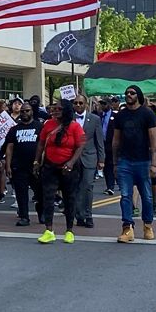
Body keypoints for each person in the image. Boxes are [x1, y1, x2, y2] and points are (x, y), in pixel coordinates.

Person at [111, 85, 156, 243]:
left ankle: (147, 225)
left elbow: (154, 141)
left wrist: (153, 164)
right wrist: (115, 163)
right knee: (125, 195)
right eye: (126, 93)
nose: (128, 95)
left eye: (132, 93)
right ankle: (127, 228)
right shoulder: (121, 115)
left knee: (146, 195)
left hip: (143, 161)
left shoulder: (147, 114)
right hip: (125, 161)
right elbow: (115, 141)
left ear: (138, 95)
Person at [36, 98, 86, 244]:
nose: (55, 110)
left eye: (58, 108)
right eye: (53, 108)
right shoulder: (48, 124)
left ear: (66, 110)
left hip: (68, 168)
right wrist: (36, 161)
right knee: (48, 197)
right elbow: (41, 144)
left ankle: (69, 230)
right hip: (50, 166)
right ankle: (49, 230)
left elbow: (80, 146)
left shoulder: (74, 127)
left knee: (69, 198)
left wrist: (71, 163)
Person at [5, 101, 42, 227]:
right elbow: (9, 148)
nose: (25, 113)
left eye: (27, 111)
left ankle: (41, 212)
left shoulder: (39, 127)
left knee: (40, 191)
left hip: (36, 166)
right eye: (22, 111)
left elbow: (43, 146)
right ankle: (24, 217)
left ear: (32, 112)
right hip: (19, 166)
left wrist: (40, 162)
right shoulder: (14, 129)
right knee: (21, 193)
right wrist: (8, 165)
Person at [71, 94, 105, 228]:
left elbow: (99, 139)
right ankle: (78, 215)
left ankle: (88, 215)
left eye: (80, 103)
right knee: (76, 187)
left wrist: (101, 159)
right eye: (75, 103)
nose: (78, 105)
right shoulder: (69, 119)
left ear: (85, 104)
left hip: (90, 157)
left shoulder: (95, 119)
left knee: (87, 186)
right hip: (73, 158)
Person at [97, 97, 118, 195]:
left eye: (104, 104)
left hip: (111, 143)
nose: (103, 106)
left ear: (109, 105)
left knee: (111, 164)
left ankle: (112, 185)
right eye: (101, 104)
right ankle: (109, 185)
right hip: (101, 144)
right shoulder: (99, 116)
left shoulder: (115, 116)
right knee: (104, 166)